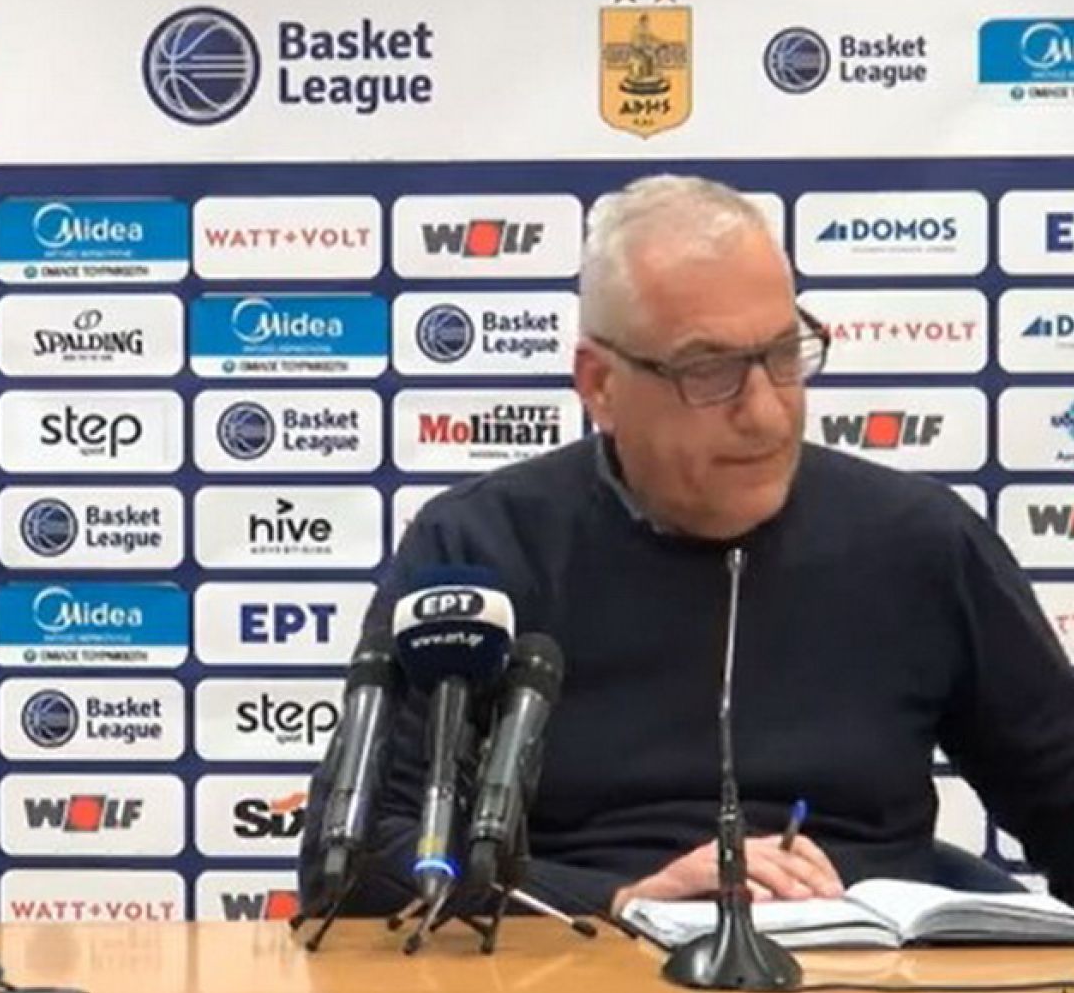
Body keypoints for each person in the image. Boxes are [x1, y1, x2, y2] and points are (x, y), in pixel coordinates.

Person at [301, 174, 1074, 919]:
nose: (766, 414)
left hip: (869, 976)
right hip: (578, 978)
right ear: (600, 385)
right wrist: (620, 901)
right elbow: (356, 858)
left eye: (783, 355)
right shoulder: (481, 547)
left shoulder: (920, 540)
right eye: (711, 371)